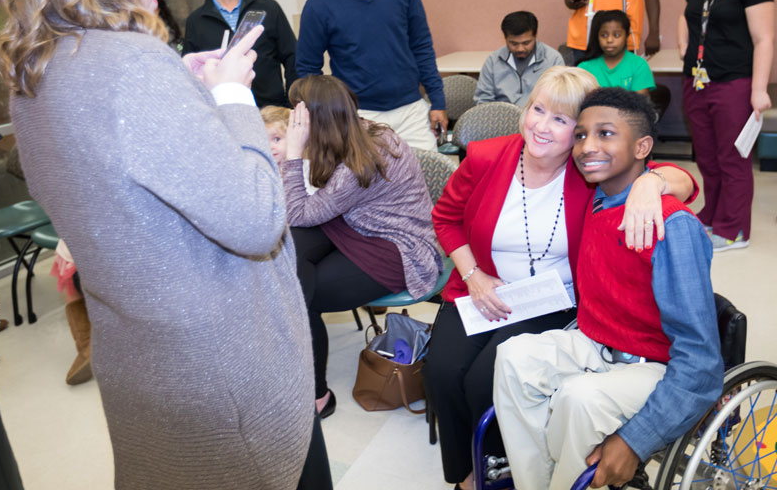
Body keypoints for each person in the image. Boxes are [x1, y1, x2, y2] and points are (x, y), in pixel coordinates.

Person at [0, 0, 332, 488]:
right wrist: (230, 97)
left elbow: (119, 199)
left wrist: (188, 93)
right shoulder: (134, 65)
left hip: (143, 366)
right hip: (226, 373)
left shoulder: (33, 71)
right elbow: (257, 217)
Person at [424, 67, 695, 490]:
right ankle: (466, 474)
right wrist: (473, 275)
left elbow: (681, 182)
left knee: (485, 377)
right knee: (441, 371)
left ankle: (503, 468)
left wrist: (653, 182)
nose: (541, 126)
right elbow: (445, 217)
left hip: (552, 298)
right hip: (482, 287)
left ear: (579, 132)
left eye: (561, 120)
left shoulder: (591, 169)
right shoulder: (486, 156)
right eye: (537, 109)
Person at [493, 88, 722, 490]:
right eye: (580, 135)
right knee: (513, 356)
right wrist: (654, 178)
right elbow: (680, 178)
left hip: (656, 364)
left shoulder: (671, 225)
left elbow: (701, 363)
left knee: (578, 399)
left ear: (642, 147)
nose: (587, 147)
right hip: (597, 340)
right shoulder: (597, 196)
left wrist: (637, 439)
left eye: (605, 134)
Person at [284, 75, 441, 418]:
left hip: (397, 248)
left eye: (297, 113)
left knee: (300, 293)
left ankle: (317, 396)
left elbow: (296, 211)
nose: (291, 120)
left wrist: (292, 153)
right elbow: (302, 216)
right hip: (358, 224)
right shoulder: (359, 130)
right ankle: (290, 353)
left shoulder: (362, 161)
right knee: (292, 253)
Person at [295, 0, 446, 151]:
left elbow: (421, 45)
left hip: (412, 112)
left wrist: (437, 100)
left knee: (427, 185)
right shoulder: (318, 5)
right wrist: (327, 119)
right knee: (371, 189)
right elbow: (307, 71)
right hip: (358, 118)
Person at [677, 0, 774, 252]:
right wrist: (682, 43)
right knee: (706, 156)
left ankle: (734, 230)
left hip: (734, 84)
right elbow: (686, 16)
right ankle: (712, 214)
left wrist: (759, 90)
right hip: (697, 82)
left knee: (732, 158)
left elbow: (764, 40)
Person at [183, 0, 298, 108]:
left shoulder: (268, 8)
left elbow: (292, 57)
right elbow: (191, 75)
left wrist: (289, 104)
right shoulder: (196, 21)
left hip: (271, 113)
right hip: (223, 113)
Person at [474, 11, 564, 106]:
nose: (520, 49)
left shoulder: (553, 59)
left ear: (535, 35)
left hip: (540, 117)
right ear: (505, 38)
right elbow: (483, 100)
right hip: (501, 117)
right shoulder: (493, 61)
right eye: (514, 43)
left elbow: (560, 99)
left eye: (526, 43)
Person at [578, 10, 655, 95]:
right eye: (604, 35)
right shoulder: (584, 68)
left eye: (617, 35)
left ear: (627, 35)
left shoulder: (639, 65)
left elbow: (639, 104)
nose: (609, 40)